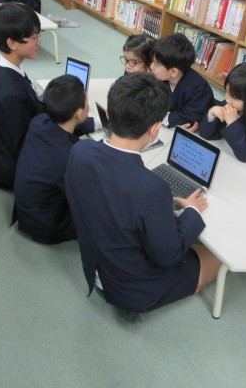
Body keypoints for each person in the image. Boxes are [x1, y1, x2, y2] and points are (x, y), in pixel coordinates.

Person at [65, 73, 221, 317]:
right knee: (215, 256)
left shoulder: (80, 150)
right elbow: (168, 256)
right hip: (130, 288)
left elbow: (112, 194)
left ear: (108, 113)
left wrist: (165, 204)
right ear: (156, 128)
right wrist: (191, 210)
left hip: (95, 265)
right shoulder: (152, 188)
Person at [14, 75, 89, 244]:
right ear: (78, 113)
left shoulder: (39, 121)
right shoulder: (71, 156)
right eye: (87, 101)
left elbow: (66, 129)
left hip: (26, 210)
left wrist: (97, 124)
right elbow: (86, 195)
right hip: (46, 224)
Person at [0, 3, 43, 191]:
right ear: (12, 43)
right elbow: (22, 145)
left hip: (5, 151)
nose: (39, 42)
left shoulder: (0, 64)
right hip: (16, 166)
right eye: (34, 38)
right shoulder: (9, 93)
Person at [150, 33, 214, 129]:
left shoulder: (199, 88)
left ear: (174, 72)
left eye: (156, 64)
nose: (151, 67)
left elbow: (189, 119)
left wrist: (158, 117)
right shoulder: (160, 78)